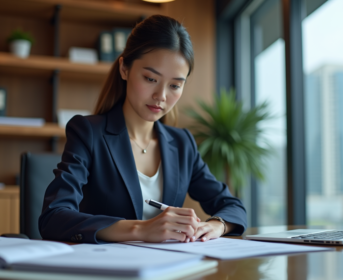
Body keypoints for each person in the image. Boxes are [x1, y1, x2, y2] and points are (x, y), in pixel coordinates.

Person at [39, 15, 247, 244]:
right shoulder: (89, 133)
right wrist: (140, 229)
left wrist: (217, 225)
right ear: (124, 68)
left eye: (175, 85)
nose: (161, 96)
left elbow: (232, 205)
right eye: (150, 78)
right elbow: (54, 217)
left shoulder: (182, 143)